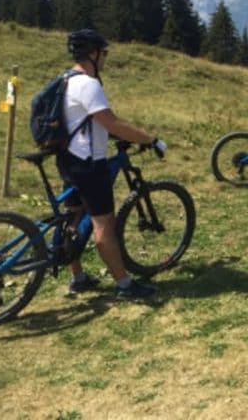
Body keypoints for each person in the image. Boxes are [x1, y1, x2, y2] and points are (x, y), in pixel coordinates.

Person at [58, 28, 167, 298]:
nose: (105, 58)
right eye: (104, 53)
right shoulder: (88, 84)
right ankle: (124, 285)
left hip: (68, 159)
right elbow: (111, 123)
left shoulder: (66, 80)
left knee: (72, 219)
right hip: (88, 165)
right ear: (92, 54)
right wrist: (150, 139)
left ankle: (79, 277)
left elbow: (94, 121)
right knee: (103, 224)